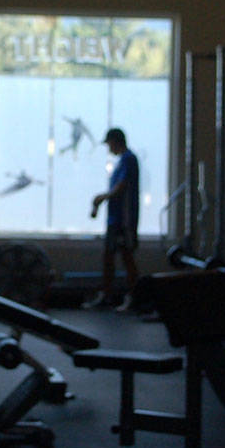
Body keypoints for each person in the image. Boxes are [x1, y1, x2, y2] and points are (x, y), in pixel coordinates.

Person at [85, 128, 141, 312]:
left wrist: (103, 198)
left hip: (124, 220)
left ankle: (134, 296)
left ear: (115, 141)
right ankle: (107, 294)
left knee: (126, 256)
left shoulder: (128, 159)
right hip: (115, 219)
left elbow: (122, 186)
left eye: (109, 143)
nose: (108, 147)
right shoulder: (122, 161)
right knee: (109, 256)